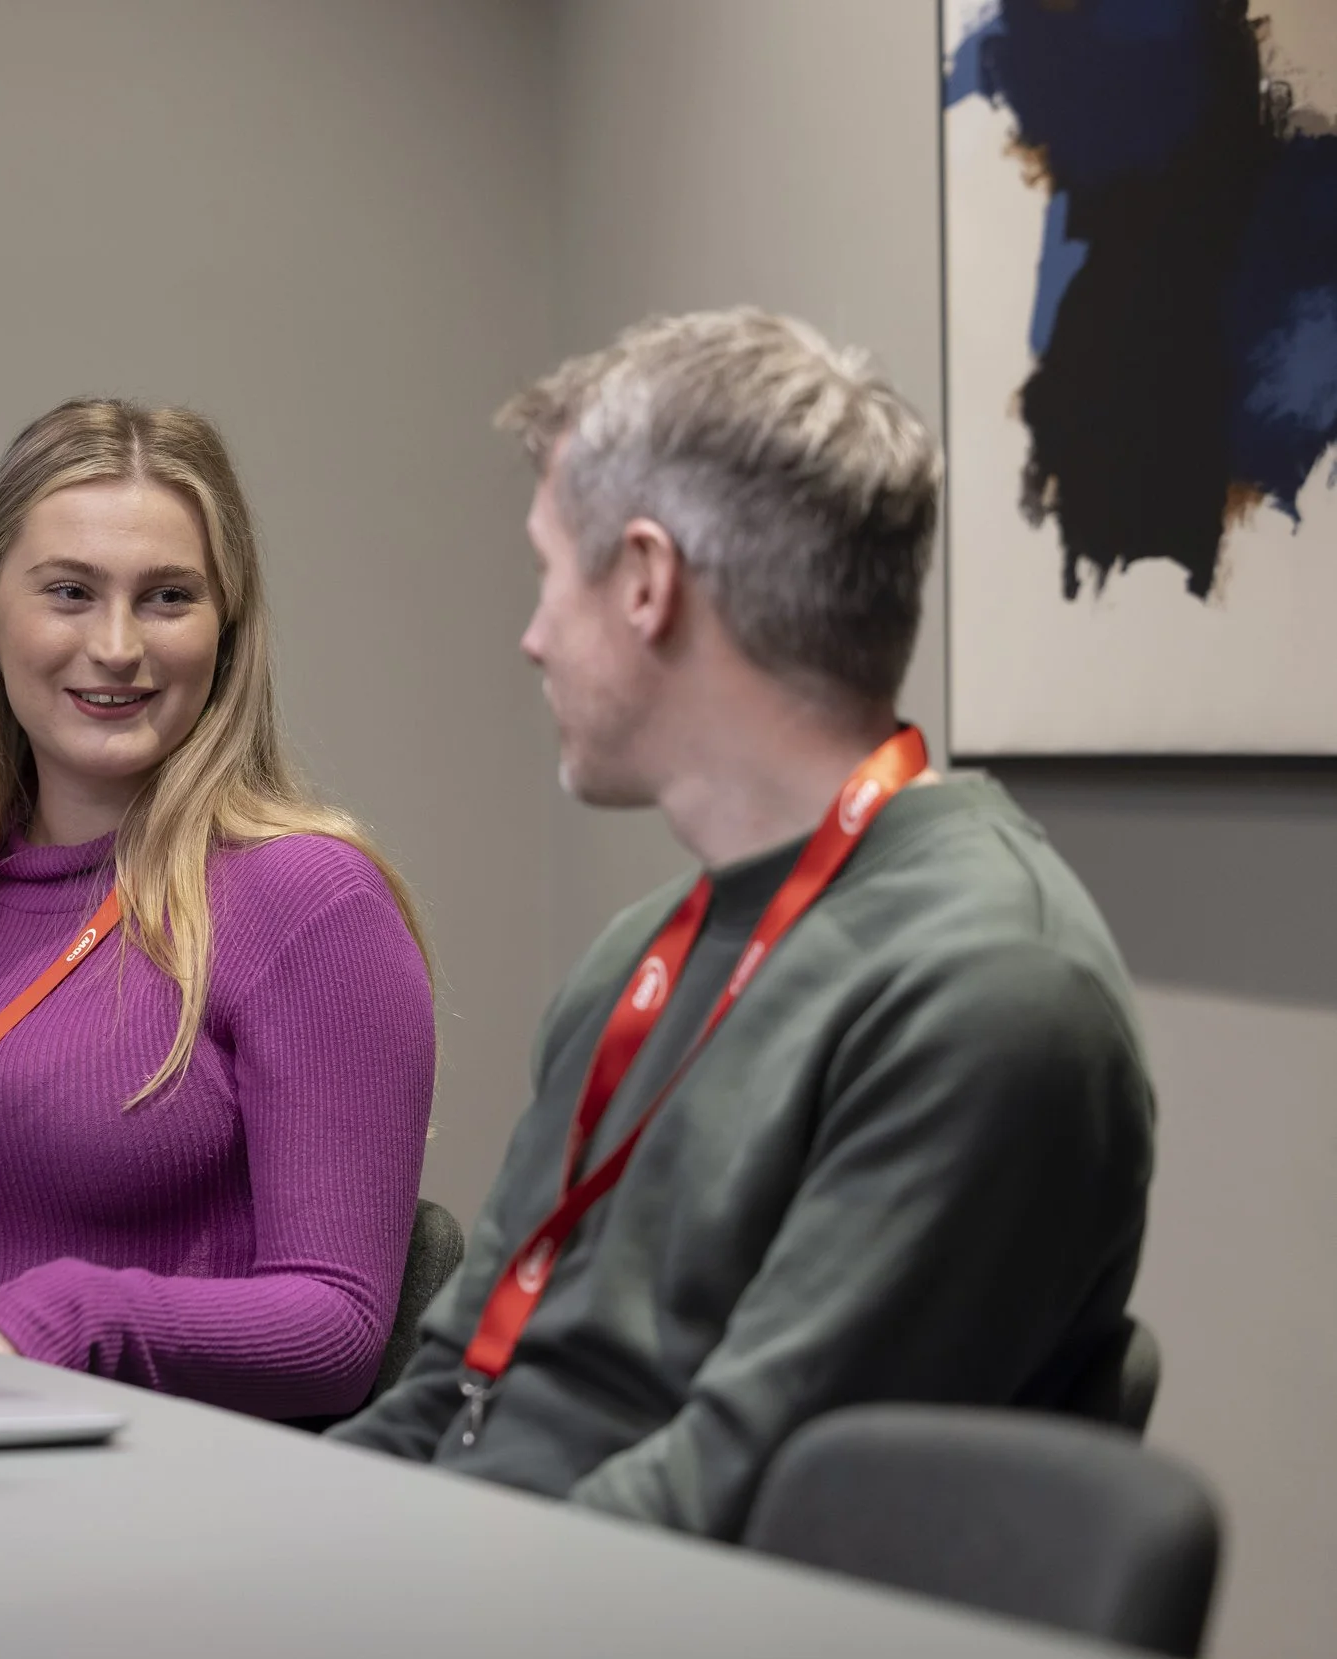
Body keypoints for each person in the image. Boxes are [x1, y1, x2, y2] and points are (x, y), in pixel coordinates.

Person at [330, 309, 1154, 1538]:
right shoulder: (636, 955)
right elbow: (448, 1381)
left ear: (648, 583)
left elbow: (743, 1494)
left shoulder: (991, 989)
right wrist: (262, 1543)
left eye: (551, 572)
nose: (533, 634)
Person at [0, 398, 437, 1420]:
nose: (117, 645)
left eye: (167, 597)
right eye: (69, 591)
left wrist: (60, 1318)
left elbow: (335, 1326)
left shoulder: (309, 901)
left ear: (226, 629)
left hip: (169, 1509)